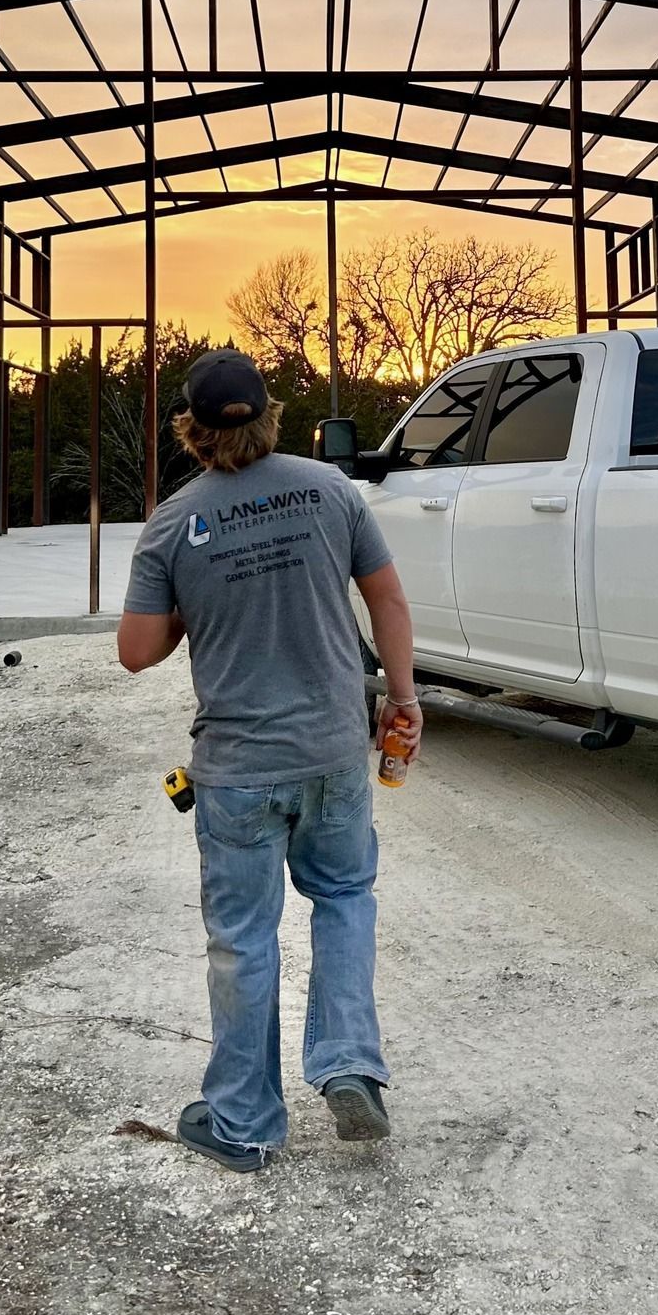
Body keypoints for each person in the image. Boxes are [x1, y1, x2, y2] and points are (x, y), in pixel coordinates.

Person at [116, 347, 422, 1172]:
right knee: (345, 897)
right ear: (269, 415)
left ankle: (245, 1121)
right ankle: (349, 1063)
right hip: (331, 751)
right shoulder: (329, 489)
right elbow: (386, 597)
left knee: (245, 938)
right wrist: (402, 697)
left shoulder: (175, 522)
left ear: (191, 428)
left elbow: (137, 652)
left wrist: (191, 602)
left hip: (239, 768)